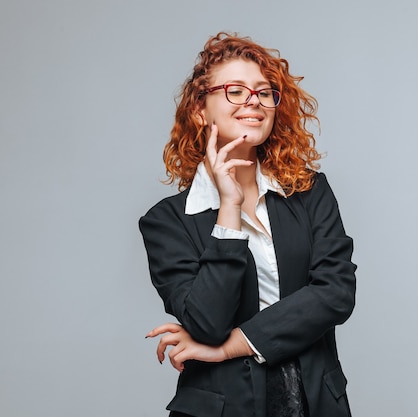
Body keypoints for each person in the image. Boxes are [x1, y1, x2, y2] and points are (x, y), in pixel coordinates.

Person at [139, 32, 357, 417]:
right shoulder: (167, 222)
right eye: (235, 91)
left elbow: (335, 293)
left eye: (263, 91)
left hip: (313, 402)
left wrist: (230, 345)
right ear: (200, 109)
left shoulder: (310, 192)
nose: (253, 101)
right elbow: (206, 323)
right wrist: (229, 208)